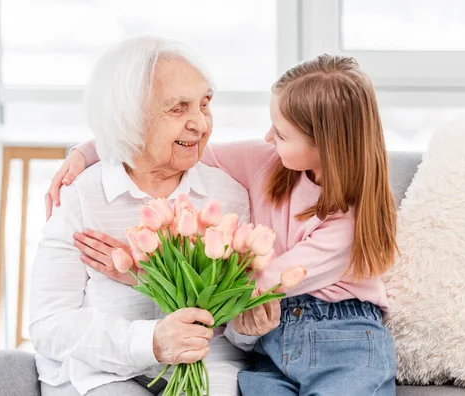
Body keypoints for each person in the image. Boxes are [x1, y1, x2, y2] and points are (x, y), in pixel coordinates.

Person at [48, 55, 398, 395]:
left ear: (325, 144)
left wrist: (144, 273)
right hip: (273, 343)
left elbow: (256, 285)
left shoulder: (346, 226)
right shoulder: (269, 161)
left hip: (344, 339)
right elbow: (178, 148)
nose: (267, 138)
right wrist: (87, 151)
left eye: (280, 133)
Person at [31, 36, 280, 396]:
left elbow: (233, 333)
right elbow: (49, 323)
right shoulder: (80, 197)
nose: (200, 123)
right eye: (179, 109)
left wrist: (249, 324)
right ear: (129, 117)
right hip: (102, 371)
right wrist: (151, 342)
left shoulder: (227, 194)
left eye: (205, 104)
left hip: (207, 365)